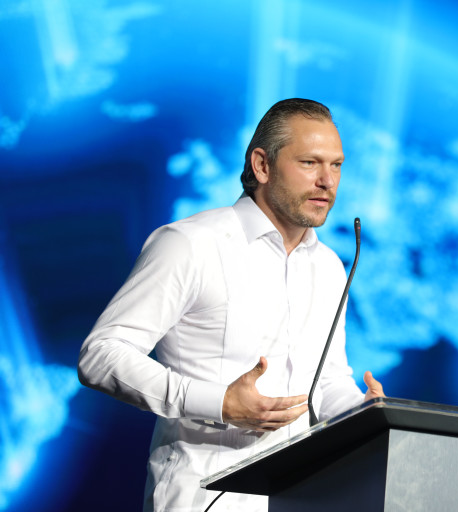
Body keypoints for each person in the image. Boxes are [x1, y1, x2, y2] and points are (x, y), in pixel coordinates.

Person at [78, 98, 384, 511]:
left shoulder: (328, 266)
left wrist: (361, 411)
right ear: (262, 165)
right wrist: (219, 403)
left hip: (296, 498)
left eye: (337, 165)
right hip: (201, 499)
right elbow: (101, 355)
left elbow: (325, 381)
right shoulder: (190, 244)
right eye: (310, 163)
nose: (327, 181)